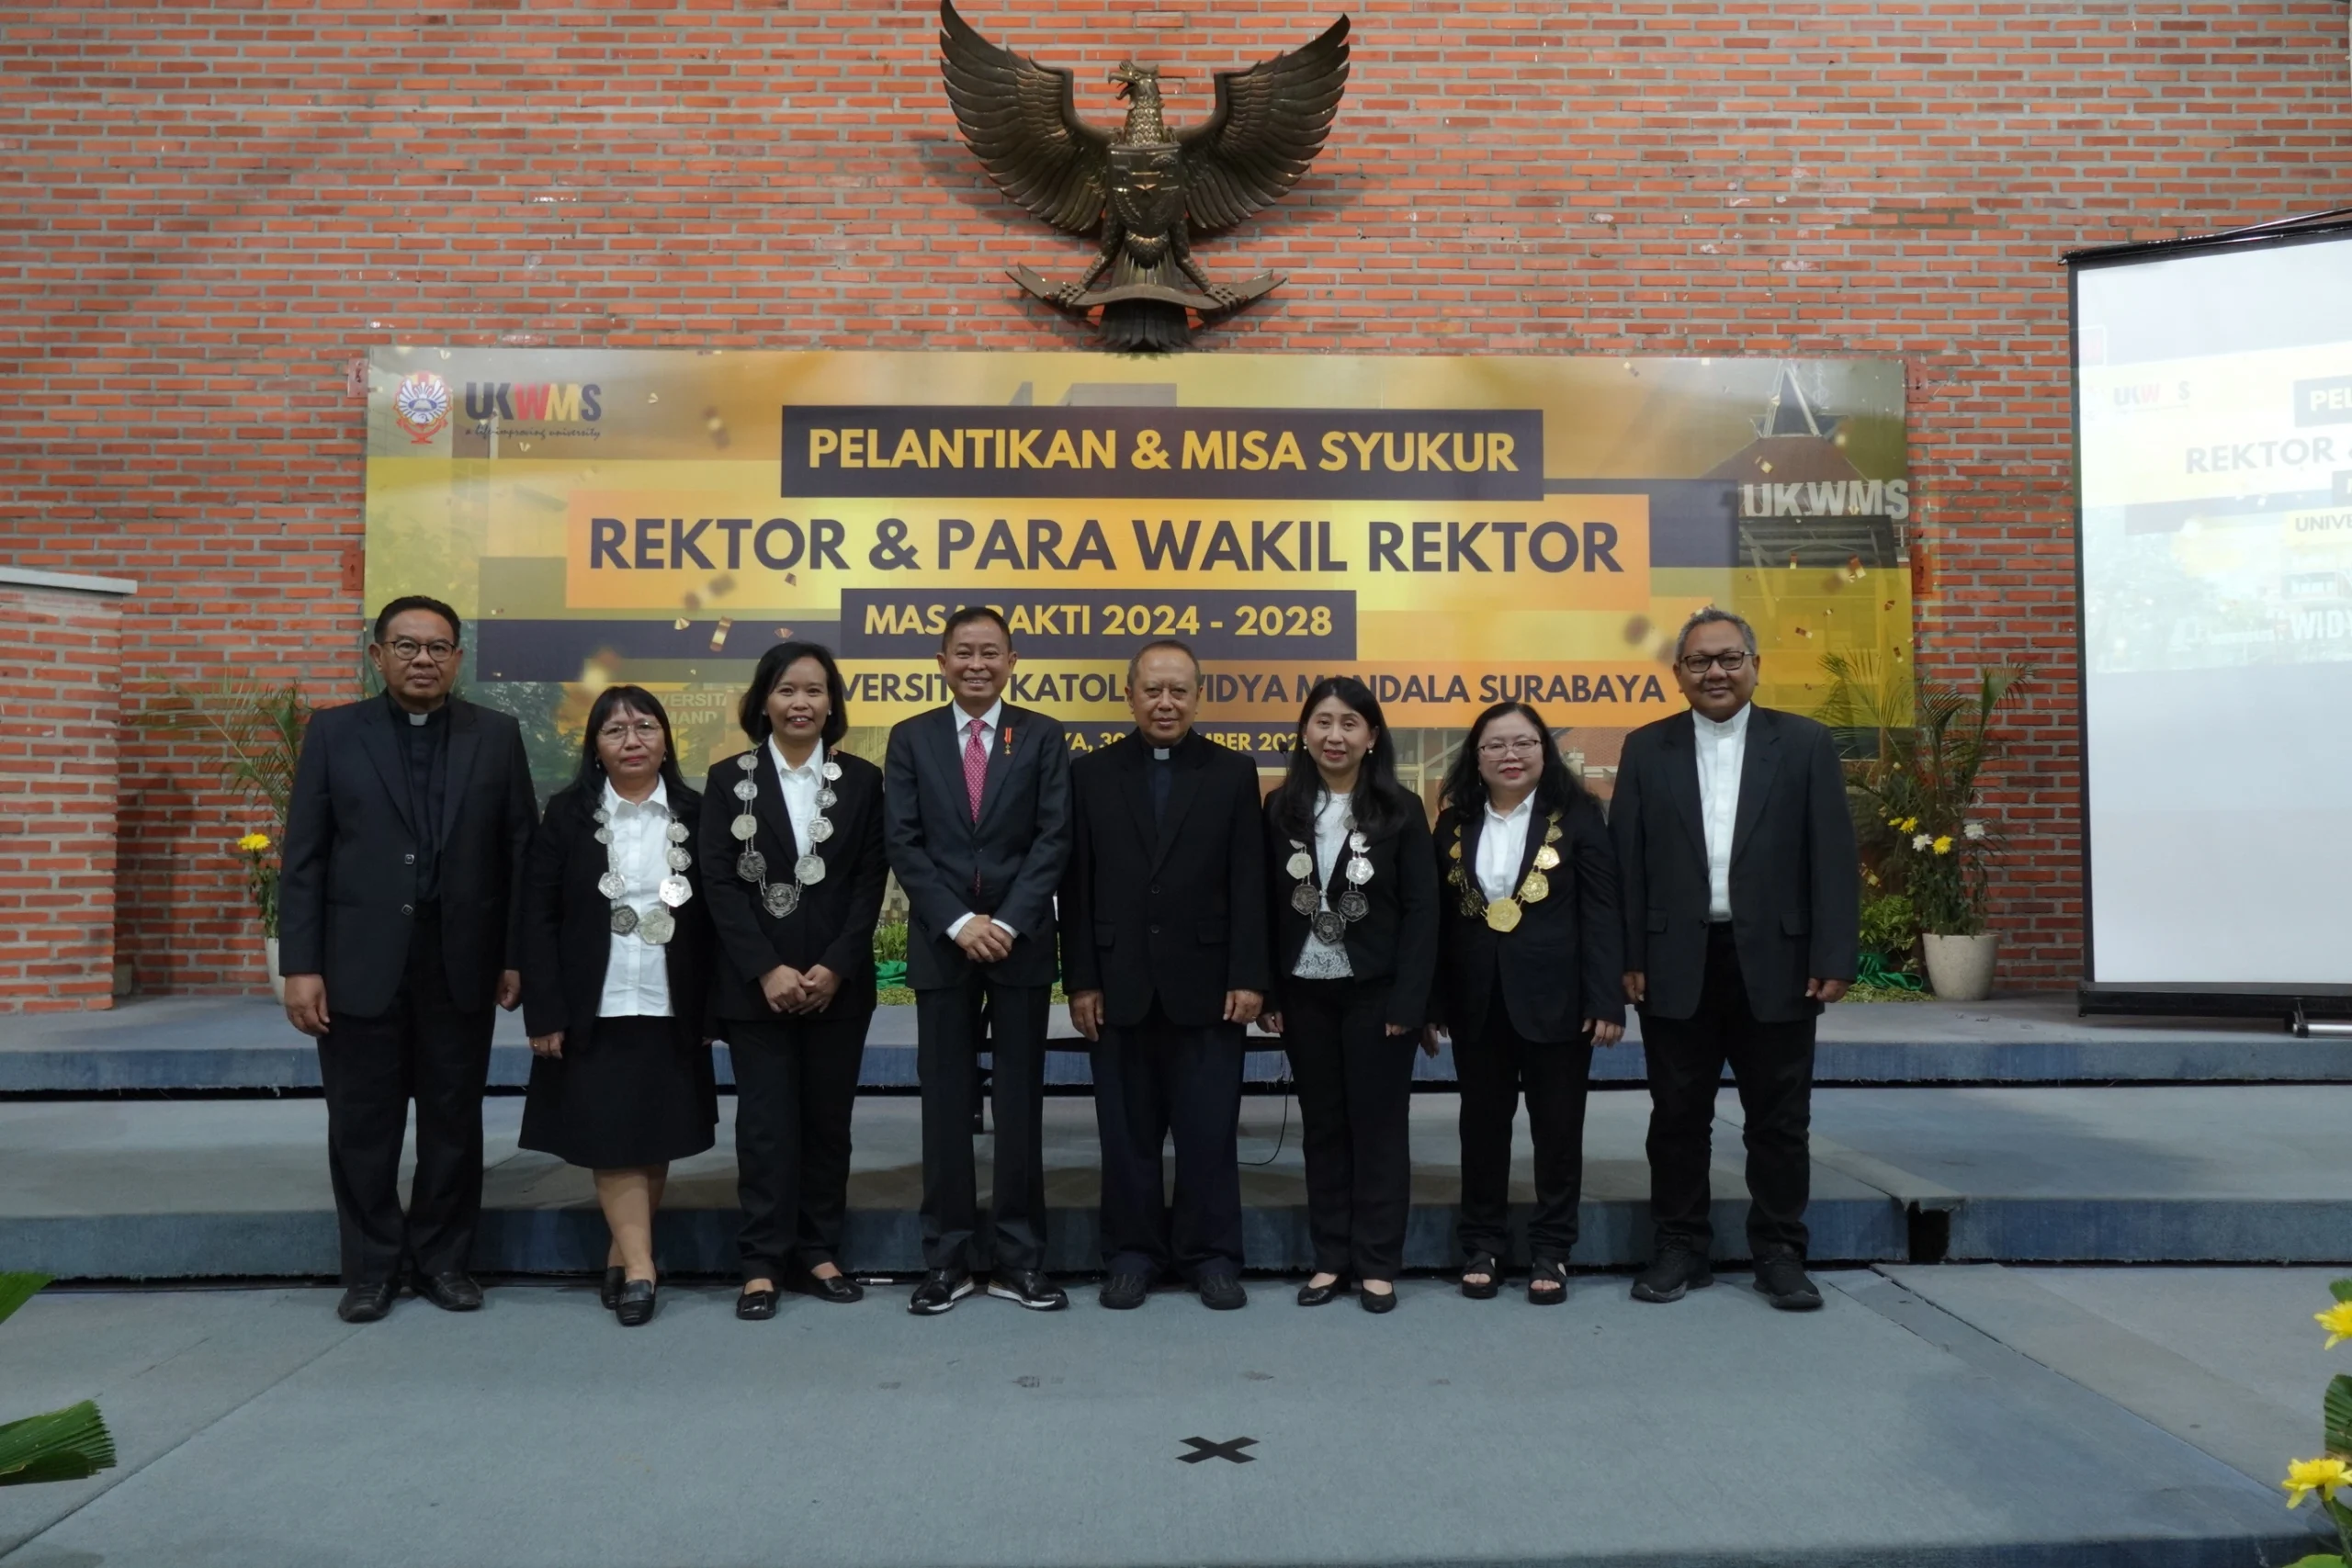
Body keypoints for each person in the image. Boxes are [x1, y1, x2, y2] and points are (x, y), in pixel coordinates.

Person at [278, 595, 536, 1324]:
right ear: (377, 653)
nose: (423, 658)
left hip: (461, 962)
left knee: (454, 1122)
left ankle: (444, 1260)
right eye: (407, 645)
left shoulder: (497, 736)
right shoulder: (334, 734)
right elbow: (304, 857)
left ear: (457, 658)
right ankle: (370, 1268)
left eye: (438, 646)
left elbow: (518, 853)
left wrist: (515, 955)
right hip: (359, 962)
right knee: (364, 1124)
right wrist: (301, 964)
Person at [1611, 606, 1860, 1312]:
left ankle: (1780, 1251)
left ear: (1755, 664)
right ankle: (1679, 1246)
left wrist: (1833, 951)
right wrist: (1627, 955)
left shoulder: (1806, 743)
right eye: (1699, 661)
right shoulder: (1645, 747)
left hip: (1779, 961)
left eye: (1729, 658)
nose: (1715, 671)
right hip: (1673, 960)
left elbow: (1833, 858)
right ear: (1678, 673)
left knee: (1779, 1119)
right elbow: (1626, 864)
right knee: (1677, 1116)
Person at [1063, 640, 1268, 1312]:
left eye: (1179, 690)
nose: (1165, 702)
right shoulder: (1089, 775)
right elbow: (1079, 883)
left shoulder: (1234, 773)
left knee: (1210, 1130)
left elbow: (1249, 883)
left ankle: (1212, 1256)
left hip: (1210, 985)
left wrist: (1248, 973)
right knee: (1126, 1133)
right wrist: (1081, 979)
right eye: (1153, 689)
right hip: (1117, 982)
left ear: (1197, 697)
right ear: (1129, 695)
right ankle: (1131, 1254)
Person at [883, 606, 1072, 1314]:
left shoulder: (1044, 735)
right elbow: (903, 842)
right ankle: (948, 1258)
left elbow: (1055, 838)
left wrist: (1011, 921)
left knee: (1021, 1107)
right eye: (963, 651)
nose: (977, 664)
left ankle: (1023, 1259)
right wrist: (962, 922)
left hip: (1020, 947)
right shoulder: (911, 738)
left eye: (990, 652)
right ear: (941, 659)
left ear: (1012, 658)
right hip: (943, 945)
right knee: (945, 1108)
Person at [518, 686, 716, 1327]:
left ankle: (620, 1249)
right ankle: (640, 1268)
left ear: (665, 738)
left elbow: (718, 921)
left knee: (651, 1131)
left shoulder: (697, 811)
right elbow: (538, 916)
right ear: (595, 747)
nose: (631, 741)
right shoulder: (568, 813)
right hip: (592, 1004)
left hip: (670, 999)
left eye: (644, 728)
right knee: (611, 1136)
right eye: (614, 731)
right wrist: (543, 1010)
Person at [701, 642, 887, 1322]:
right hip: (758, 987)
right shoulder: (728, 779)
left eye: (814, 690)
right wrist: (767, 968)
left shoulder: (863, 780)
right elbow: (718, 883)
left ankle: (817, 1249)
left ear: (832, 703)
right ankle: (760, 1262)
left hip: (838, 984)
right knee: (766, 1125)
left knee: (826, 1123)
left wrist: (835, 965)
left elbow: (871, 882)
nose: (800, 702)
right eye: (786, 690)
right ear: (763, 701)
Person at [1430, 702, 1623, 1304]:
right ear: (1476, 755)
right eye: (1495, 745)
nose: (1510, 755)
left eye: (1524, 742)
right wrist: (1433, 1000)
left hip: (1558, 1003)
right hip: (1477, 1002)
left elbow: (1600, 911)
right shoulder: (1454, 821)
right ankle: (1483, 1244)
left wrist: (1606, 998)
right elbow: (1437, 921)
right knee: (1481, 1129)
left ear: (1545, 749)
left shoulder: (1581, 816)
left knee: (1557, 1129)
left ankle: (1551, 1247)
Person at [1258, 677, 1435, 1314]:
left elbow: (1422, 914)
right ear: (1304, 733)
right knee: (1323, 1128)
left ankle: (1379, 1261)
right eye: (1323, 722)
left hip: (1377, 996)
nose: (1336, 735)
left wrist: (1411, 1006)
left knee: (1380, 1128)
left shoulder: (1401, 809)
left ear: (1372, 737)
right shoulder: (1281, 808)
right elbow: (1265, 910)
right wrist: (1271, 990)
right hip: (1303, 994)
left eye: (1350, 723)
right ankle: (1332, 1257)